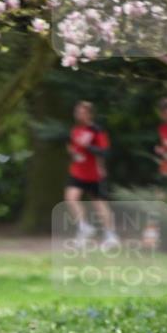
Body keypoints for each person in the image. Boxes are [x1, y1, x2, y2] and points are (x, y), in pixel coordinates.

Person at [64, 100, 119, 248]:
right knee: (70, 198)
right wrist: (72, 153)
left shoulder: (97, 131)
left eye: (81, 112)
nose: (78, 114)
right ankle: (84, 228)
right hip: (77, 171)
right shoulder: (75, 130)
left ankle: (111, 236)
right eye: (77, 111)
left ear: (89, 114)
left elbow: (104, 151)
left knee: (100, 205)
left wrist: (87, 147)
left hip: (94, 174)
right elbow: (72, 147)